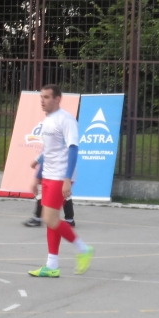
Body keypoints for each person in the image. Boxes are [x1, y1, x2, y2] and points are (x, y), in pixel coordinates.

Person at [28, 84, 93, 278]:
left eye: (47, 97)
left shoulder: (66, 120)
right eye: (41, 97)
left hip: (60, 176)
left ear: (57, 99)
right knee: (52, 220)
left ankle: (83, 249)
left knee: (50, 218)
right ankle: (52, 265)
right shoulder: (48, 120)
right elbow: (48, 152)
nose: (42, 100)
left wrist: (67, 179)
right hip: (49, 175)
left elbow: (73, 149)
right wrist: (37, 177)